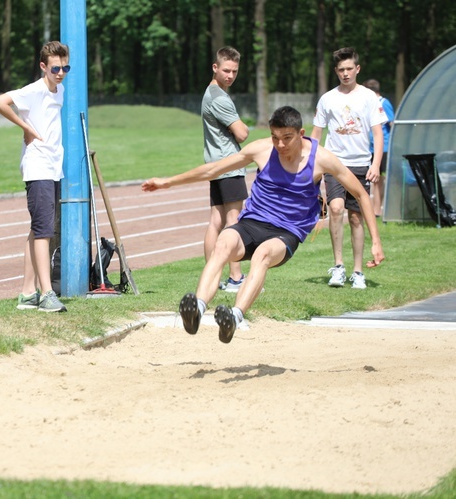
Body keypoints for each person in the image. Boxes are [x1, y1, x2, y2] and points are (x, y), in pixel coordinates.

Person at [141, 106, 384, 343]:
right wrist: (168, 182)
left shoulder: (322, 158)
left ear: (301, 134)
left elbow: (361, 194)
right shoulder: (262, 150)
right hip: (253, 222)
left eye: (287, 138)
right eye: (275, 137)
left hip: (287, 232)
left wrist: (376, 241)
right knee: (223, 242)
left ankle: (234, 318)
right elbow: (214, 169)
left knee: (263, 254)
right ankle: (197, 308)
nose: (280, 145)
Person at [0, 41, 69, 313]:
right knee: (45, 232)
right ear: (43, 66)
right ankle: (47, 294)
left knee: (38, 228)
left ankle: (27, 292)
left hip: (53, 166)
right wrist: (26, 127)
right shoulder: (34, 90)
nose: (60, 73)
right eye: (55, 68)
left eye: (65, 68)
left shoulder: (60, 89)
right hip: (38, 168)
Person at [311, 47, 387, 290]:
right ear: (336, 71)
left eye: (349, 69)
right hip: (334, 163)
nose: (345, 73)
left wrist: (375, 164)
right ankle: (339, 266)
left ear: (357, 69)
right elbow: (316, 134)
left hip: (360, 163)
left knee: (356, 218)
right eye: (341, 69)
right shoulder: (327, 99)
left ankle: (357, 271)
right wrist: (311, 164)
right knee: (335, 208)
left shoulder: (369, 97)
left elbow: (378, 133)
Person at [201, 46, 250, 292]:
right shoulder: (219, 97)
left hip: (216, 164)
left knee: (216, 221)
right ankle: (235, 278)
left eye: (234, 71)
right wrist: (243, 128)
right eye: (226, 70)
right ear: (215, 67)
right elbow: (242, 132)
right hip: (229, 165)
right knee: (234, 220)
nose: (230, 75)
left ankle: (212, 276)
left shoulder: (211, 93)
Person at [362, 79, 395, 217]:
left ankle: (384, 207)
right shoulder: (368, 105)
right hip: (371, 148)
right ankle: (376, 209)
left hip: (385, 147)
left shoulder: (384, 103)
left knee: (383, 178)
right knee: (375, 179)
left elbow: (392, 123)